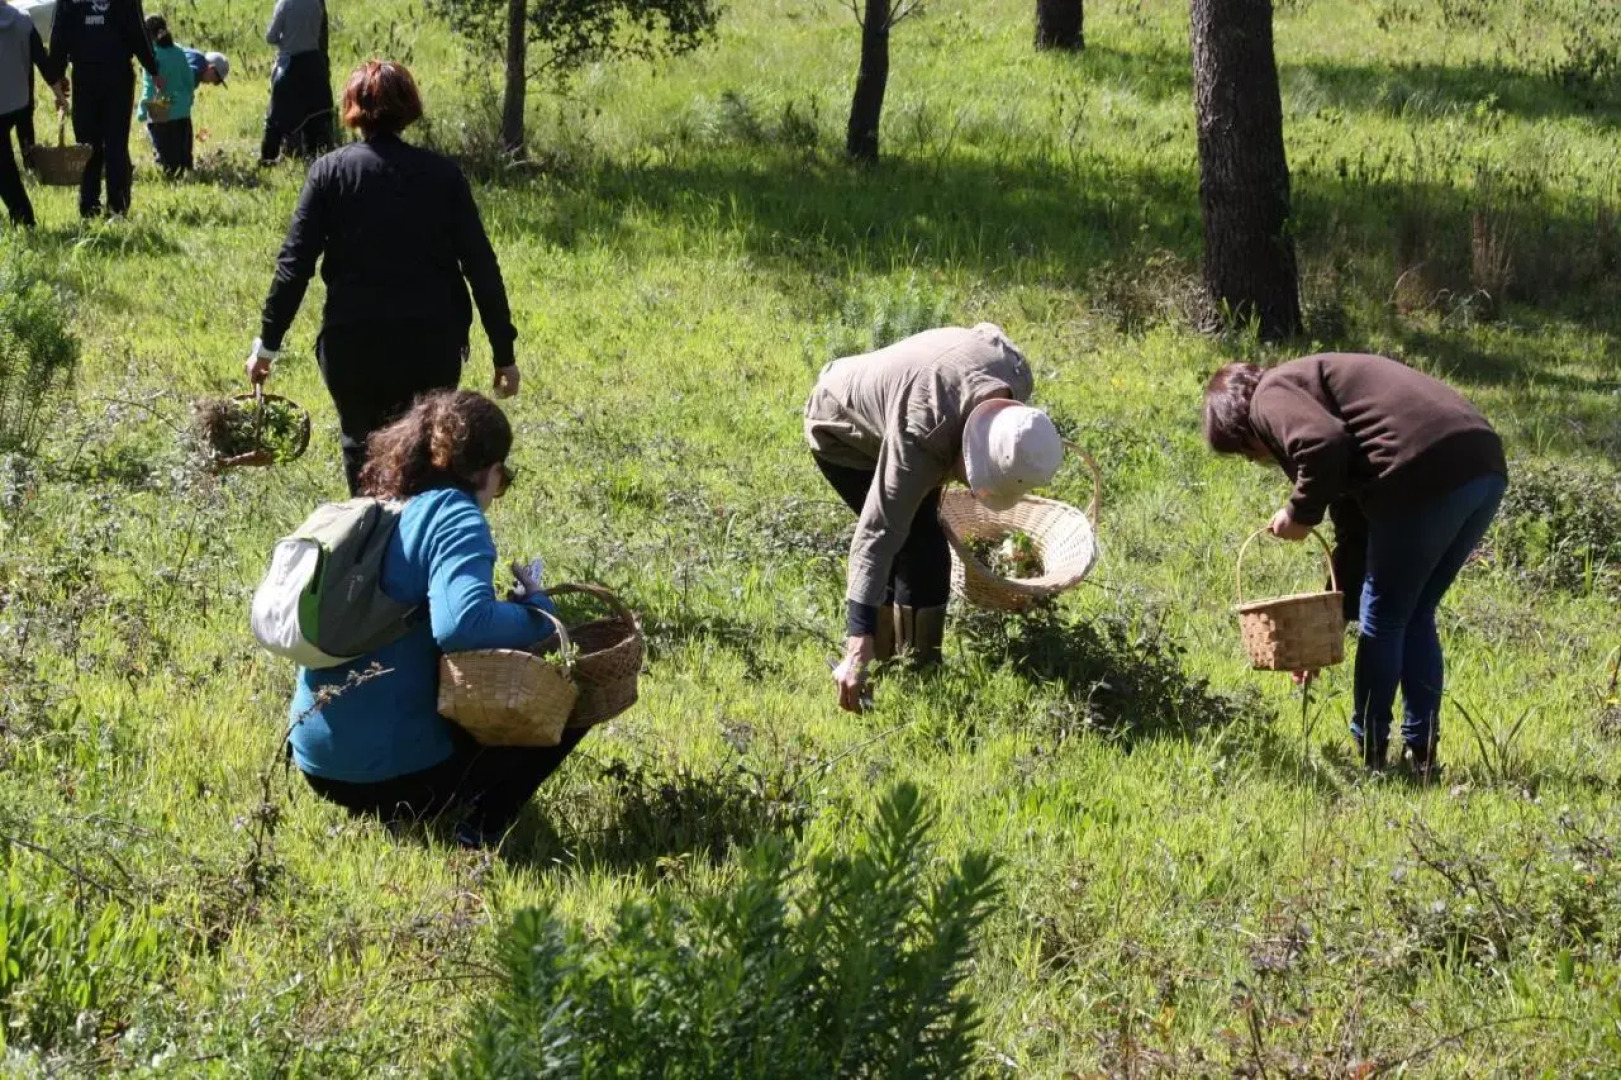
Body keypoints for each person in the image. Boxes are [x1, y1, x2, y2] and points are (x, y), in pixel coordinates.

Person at [290, 390, 576, 849]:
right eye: (502, 480)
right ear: (489, 471)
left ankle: (401, 808)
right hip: (388, 774)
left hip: (317, 763)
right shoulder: (455, 516)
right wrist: (539, 615)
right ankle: (476, 830)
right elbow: (462, 625)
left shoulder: (387, 503)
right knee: (572, 689)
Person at [1202, 353, 1508, 777]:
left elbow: (1322, 444)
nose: (1256, 460)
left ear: (1241, 426)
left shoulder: (1267, 396)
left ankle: (1372, 753)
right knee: (1415, 614)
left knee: (1382, 616)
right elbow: (1353, 535)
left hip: (1418, 469)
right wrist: (1329, 617)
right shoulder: (1319, 400)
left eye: (1246, 453)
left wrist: (1298, 512)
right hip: (1482, 465)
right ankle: (1422, 755)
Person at [248, 60, 520, 495]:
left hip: (353, 343)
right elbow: (481, 267)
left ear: (353, 107)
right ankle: (415, 549)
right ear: (409, 107)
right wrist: (503, 352)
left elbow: (294, 264)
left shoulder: (330, 173)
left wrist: (267, 345)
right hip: (430, 341)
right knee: (425, 453)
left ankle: (367, 547)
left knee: (362, 448)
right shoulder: (442, 176)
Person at [805, 323, 1064, 712]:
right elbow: (877, 534)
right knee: (912, 540)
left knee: (921, 543)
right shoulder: (924, 431)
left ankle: (915, 666)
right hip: (841, 426)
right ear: (965, 446)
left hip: (910, 403)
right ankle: (886, 663)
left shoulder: (1015, 378)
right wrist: (856, 646)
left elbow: (987, 333)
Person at [49, 0, 162, 218]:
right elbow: (137, 30)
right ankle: (117, 207)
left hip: (85, 75)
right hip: (116, 74)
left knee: (88, 144)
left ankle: (90, 205)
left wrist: (57, 74)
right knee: (115, 143)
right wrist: (152, 67)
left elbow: (59, 33)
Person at [0, 0, 62, 225]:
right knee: (4, 165)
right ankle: (23, 217)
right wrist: (60, 95)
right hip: (18, 103)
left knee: (4, 166)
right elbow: (43, 61)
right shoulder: (23, 20)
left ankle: (23, 218)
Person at [259, 0, 330, 164]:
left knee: (275, 117)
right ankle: (312, 157)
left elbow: (271, 37)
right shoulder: (316, 4)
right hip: (314, 64)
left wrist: (286, 40)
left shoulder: (284, 4)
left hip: (291, 65)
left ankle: (268, 159)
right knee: (313, 113)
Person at [137, 15, 194, 174]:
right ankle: (186, 171)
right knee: (183, 150)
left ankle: (169, 173)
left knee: (165, 153)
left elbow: (150, 88)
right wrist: (188, 99)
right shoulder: (179, 51)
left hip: (160, 106)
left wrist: (142, 113)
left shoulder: (151, 57)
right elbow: (189, 80)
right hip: (182, 107)